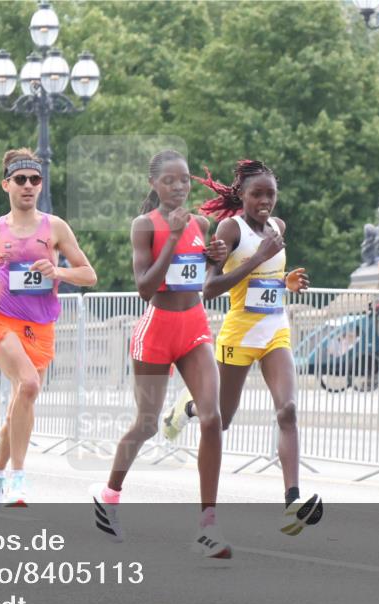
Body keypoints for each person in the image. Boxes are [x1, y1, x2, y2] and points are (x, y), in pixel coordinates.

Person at [160, 159, 323, 534]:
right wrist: (260, 257)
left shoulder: (278, 228)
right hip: (239, 336)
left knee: (288, 410)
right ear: (242, 195)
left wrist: (286, 281)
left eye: (271, 194)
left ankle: (291, 502)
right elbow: (211, 289)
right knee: (221, 419)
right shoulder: (230, 229)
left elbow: (266, 280)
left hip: (275, 331)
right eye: (257, 194)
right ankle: (184, 408)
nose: (265, 201)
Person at [89, 149, 232, 558]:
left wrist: (215, 264)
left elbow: (204, 282)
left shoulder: (202, 224)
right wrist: (170, 236)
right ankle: (110, 494)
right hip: (156, 331)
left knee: (211, 417)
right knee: (147, 424)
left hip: (195, 329)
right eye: (170, 180)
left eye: (185, 179)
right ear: (154, 184)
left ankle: (208, 526)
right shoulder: (144, 226)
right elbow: (145, 287)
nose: (179, 187)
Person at [0, 148, 97, 515]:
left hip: (41, 325)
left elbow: (88, 274)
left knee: (19, 404)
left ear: (41, 185)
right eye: (20, 180)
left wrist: (58, 273)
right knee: (28, 385)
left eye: (35, 180)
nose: (28, 186)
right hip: (3, 320)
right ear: (6, 184)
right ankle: (19, 476)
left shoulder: (55, 228)